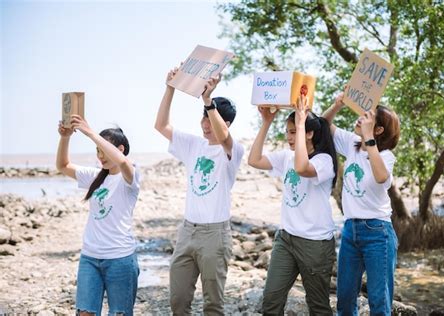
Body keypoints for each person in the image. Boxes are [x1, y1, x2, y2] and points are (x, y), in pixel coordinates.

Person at [154, 67, 244, 315]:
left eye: (210, 118)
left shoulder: (234, 150)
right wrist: (170, 87)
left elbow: (225, 137)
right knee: (178, 300)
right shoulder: (193, 144)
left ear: (224, 122)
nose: (205, 124)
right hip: (187, 231)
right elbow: (161, 125)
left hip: (215, 234)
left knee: (213, 304)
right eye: (203, 117)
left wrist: (208, 100)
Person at [248, 96, 338, 315]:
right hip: (286, 239)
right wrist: (266, 122)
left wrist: (301, 122)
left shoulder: (324, 161)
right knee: (271, 300)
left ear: (310, 134)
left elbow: (301, 168)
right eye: (288, 132)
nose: (289, 136)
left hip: (315, 244)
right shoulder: (286, 157)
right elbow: (254, 160)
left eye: (294, 132)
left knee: (318, 306)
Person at [322, 93, 400, 315]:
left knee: (379, 301)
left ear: (378, 130)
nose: (360, 118)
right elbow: (322, 125)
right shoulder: (351, 144)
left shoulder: (386, 156)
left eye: (367, 117)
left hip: (378, 232)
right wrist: (336, 104)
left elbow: (381, 178)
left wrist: (369, 141)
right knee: (345, 299)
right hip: (350, 231)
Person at [56, 114, 140, 316]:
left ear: (120, 150)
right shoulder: (95, 176)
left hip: (120, 259)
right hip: (90, 258)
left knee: (119, 313)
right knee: (84, 313)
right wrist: (65, 137)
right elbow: (62, 165)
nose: (100, 156)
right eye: (97, 151)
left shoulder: (130, 176)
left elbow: (124, 163)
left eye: (104, 150)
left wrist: (91, 133)